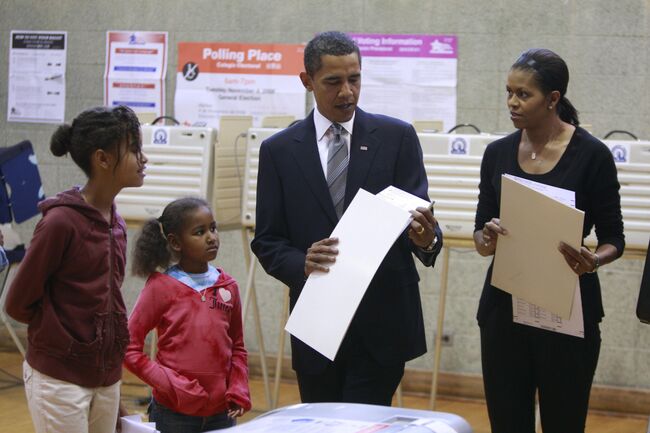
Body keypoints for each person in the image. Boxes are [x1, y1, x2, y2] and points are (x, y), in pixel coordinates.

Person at [251, 31, 443, 406]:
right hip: (316, 323)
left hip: (383, 321)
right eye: (333, 82)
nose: (347, 93)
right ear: (307, 81)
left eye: (354, 79)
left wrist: (425, 238)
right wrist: (301, 262)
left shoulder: (396, 137)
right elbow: (268, 240)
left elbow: (423, 228)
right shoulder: (278, 151)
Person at [474, 48, 624, 433]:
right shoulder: (496, 153)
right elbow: (479, 237)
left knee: (563, 422)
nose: (512, 102)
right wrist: (486, 237)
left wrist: (595, 259)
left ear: (553, 99)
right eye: (508, 91)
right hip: (504, 312)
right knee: (507, 423)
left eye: (524, 94)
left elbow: (614, 238)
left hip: (567, 313)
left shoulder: (591, 155)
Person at [5, 106, 147, 433]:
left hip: (105, 378)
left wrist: (110, 384)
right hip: (59, 379)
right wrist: (63, 335)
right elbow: (18, 303)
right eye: (134, 149)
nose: (143, 159)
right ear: (103, 159)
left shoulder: (117, 223)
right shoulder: (60, 222)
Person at [124, 197, 250, 433]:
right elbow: (129, 348)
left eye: (213, 228)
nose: (211, 237)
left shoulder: (228, 286)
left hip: (222, 414)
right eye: (199, 232)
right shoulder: (160, 287)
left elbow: (238, 348)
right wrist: (172, 385)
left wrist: (238, 387)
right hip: (173, 414)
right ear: (175, 242)